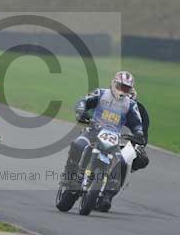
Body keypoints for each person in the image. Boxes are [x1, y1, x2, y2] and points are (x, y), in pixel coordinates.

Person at [63, 71, 150, 212]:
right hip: (93, 131)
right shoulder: (101, 93)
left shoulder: (131, 105)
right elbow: (83, 101)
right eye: (121, 86)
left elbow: (138, 124)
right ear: (114, 83)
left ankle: (106, 195)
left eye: (127, 88)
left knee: (120, 161)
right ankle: (69, 176)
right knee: (78, 144)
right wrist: (82, 111)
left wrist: (139, 133)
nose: (123, 90)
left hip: (114, 138)